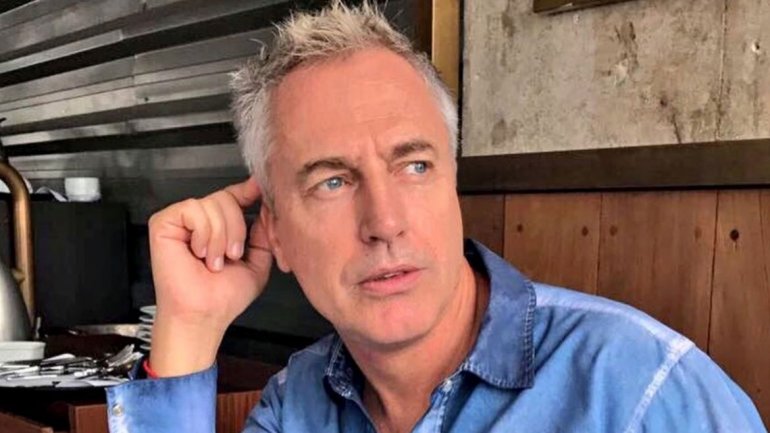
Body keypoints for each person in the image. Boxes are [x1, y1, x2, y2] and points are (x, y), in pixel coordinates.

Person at [106, 2, 767, 432]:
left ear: (453, 182)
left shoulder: (642, 389)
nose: (385, 221)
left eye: (415, 166)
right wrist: (188, 327)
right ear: (274, 231)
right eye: (333, 181)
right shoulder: (298, 404)